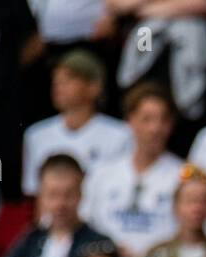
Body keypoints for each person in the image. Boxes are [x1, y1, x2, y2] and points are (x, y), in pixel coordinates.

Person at [79, 82, 183, 257]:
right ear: (130, 120)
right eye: (147, 119)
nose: (155, 129)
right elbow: (85, 223)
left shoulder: (182, 174)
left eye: (163, 120)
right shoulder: (102, 173)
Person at [21, 50, 133, 198]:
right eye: (56, 79)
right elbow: (33, 193)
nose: (58, 85)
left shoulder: (122, 134)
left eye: (68, 79)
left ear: (94, 86)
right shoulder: (36, 135)